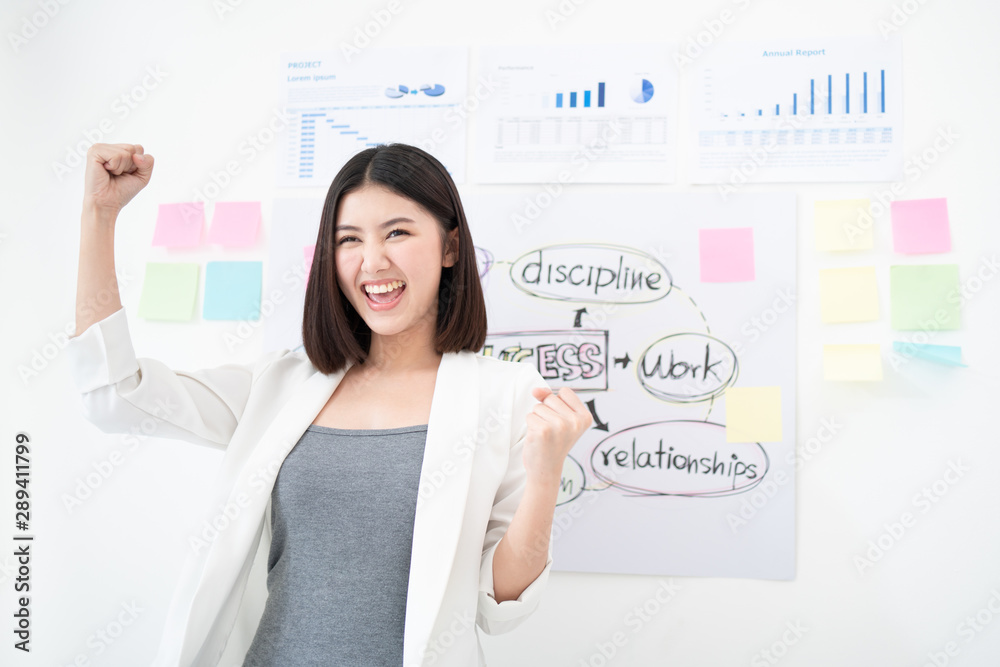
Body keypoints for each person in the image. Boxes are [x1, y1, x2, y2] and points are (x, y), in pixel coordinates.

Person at [66, 141, 592, 666]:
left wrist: (546, 474)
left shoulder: (507, 396)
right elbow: (115, 395)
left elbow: (501, 605)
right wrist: (99, 215)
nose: (373, 261)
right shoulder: (280, 384)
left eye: (397, 233)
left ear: (450, 247)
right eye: (349, 239)